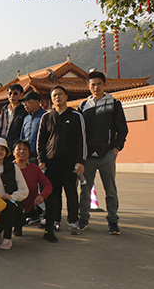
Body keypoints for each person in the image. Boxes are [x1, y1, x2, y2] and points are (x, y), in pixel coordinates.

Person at [78, 70, 128, 235]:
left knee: (110, 190)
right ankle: (83, 219)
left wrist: (116, 149)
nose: (96, 87)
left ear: (104, 85)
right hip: (88, 157)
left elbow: (122, 129)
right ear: (88, 86)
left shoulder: (114, 103)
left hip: (107, 155)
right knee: (85, 190)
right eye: (93, 84)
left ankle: (113, 221)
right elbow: (79, 132)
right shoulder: (83, 106)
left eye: (99, 84)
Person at [37, 85, 87, 241]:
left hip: (69, 161)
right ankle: (55, 220)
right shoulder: (46, 117)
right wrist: (41, 160)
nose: (57, 97)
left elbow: (81, 140)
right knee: (53, 193)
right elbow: (41, 140)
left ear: (66, 96)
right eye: (54, 95)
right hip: (51, 162)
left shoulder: (76, 116)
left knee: (71, 192)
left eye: (60, 94)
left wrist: (80, 161)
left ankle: (73, 221)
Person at [13, 140, 52, 233]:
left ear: (29, 153)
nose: (22, 151)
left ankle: (49, 231)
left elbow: (47, 185)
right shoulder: (8, 168)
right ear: (13, 152)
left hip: (33, 204)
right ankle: (16, 226)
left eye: (25, 149)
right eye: (19, 149)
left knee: (52, 199)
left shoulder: (34, 168)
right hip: (16, 205)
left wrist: (41, 196)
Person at [19, 91, 47, 163]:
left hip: (40, 155)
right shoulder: (26, 118)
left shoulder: (45, 116)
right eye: (24, 103)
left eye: (28, 102)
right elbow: (22, 137)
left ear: (37, 102)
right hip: (27, 155)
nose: (25, 105)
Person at [0, 84, 28, 150]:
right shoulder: (5, 109)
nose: (12, 96)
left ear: (22, 95)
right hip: (4, 144)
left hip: (17, 145)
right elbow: (1, 127)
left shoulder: (24, 110)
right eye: (10, 94)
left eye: (15, 94)